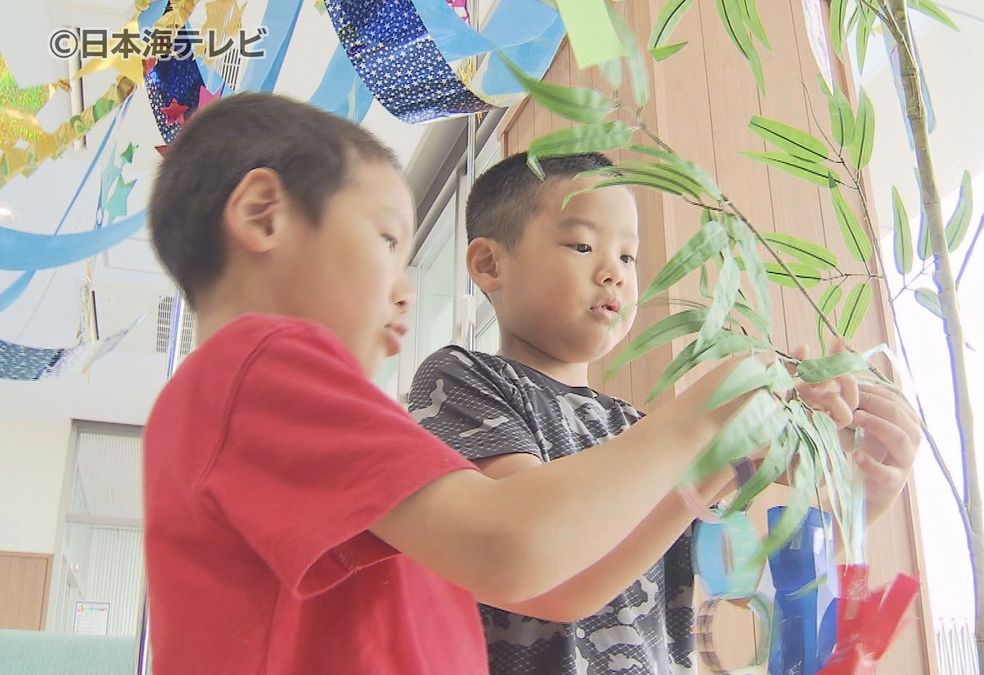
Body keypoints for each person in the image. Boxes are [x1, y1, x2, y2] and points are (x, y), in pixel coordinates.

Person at [141, 94, 790, 674]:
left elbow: (551, 585)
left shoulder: (258, 396)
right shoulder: (264, 364)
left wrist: (714, 449)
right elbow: (510, 546)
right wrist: (698, 418)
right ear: (263, 216)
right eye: (387, 239)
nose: (404, 289)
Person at [409, 151, 921, 674]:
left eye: (629, 257)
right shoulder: (463, 378)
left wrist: (859, 502)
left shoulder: (642, 433)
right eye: (583, 245)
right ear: (489, 264)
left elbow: (746, 577)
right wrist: (710, 428)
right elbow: (542, 572)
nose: (614, 273)